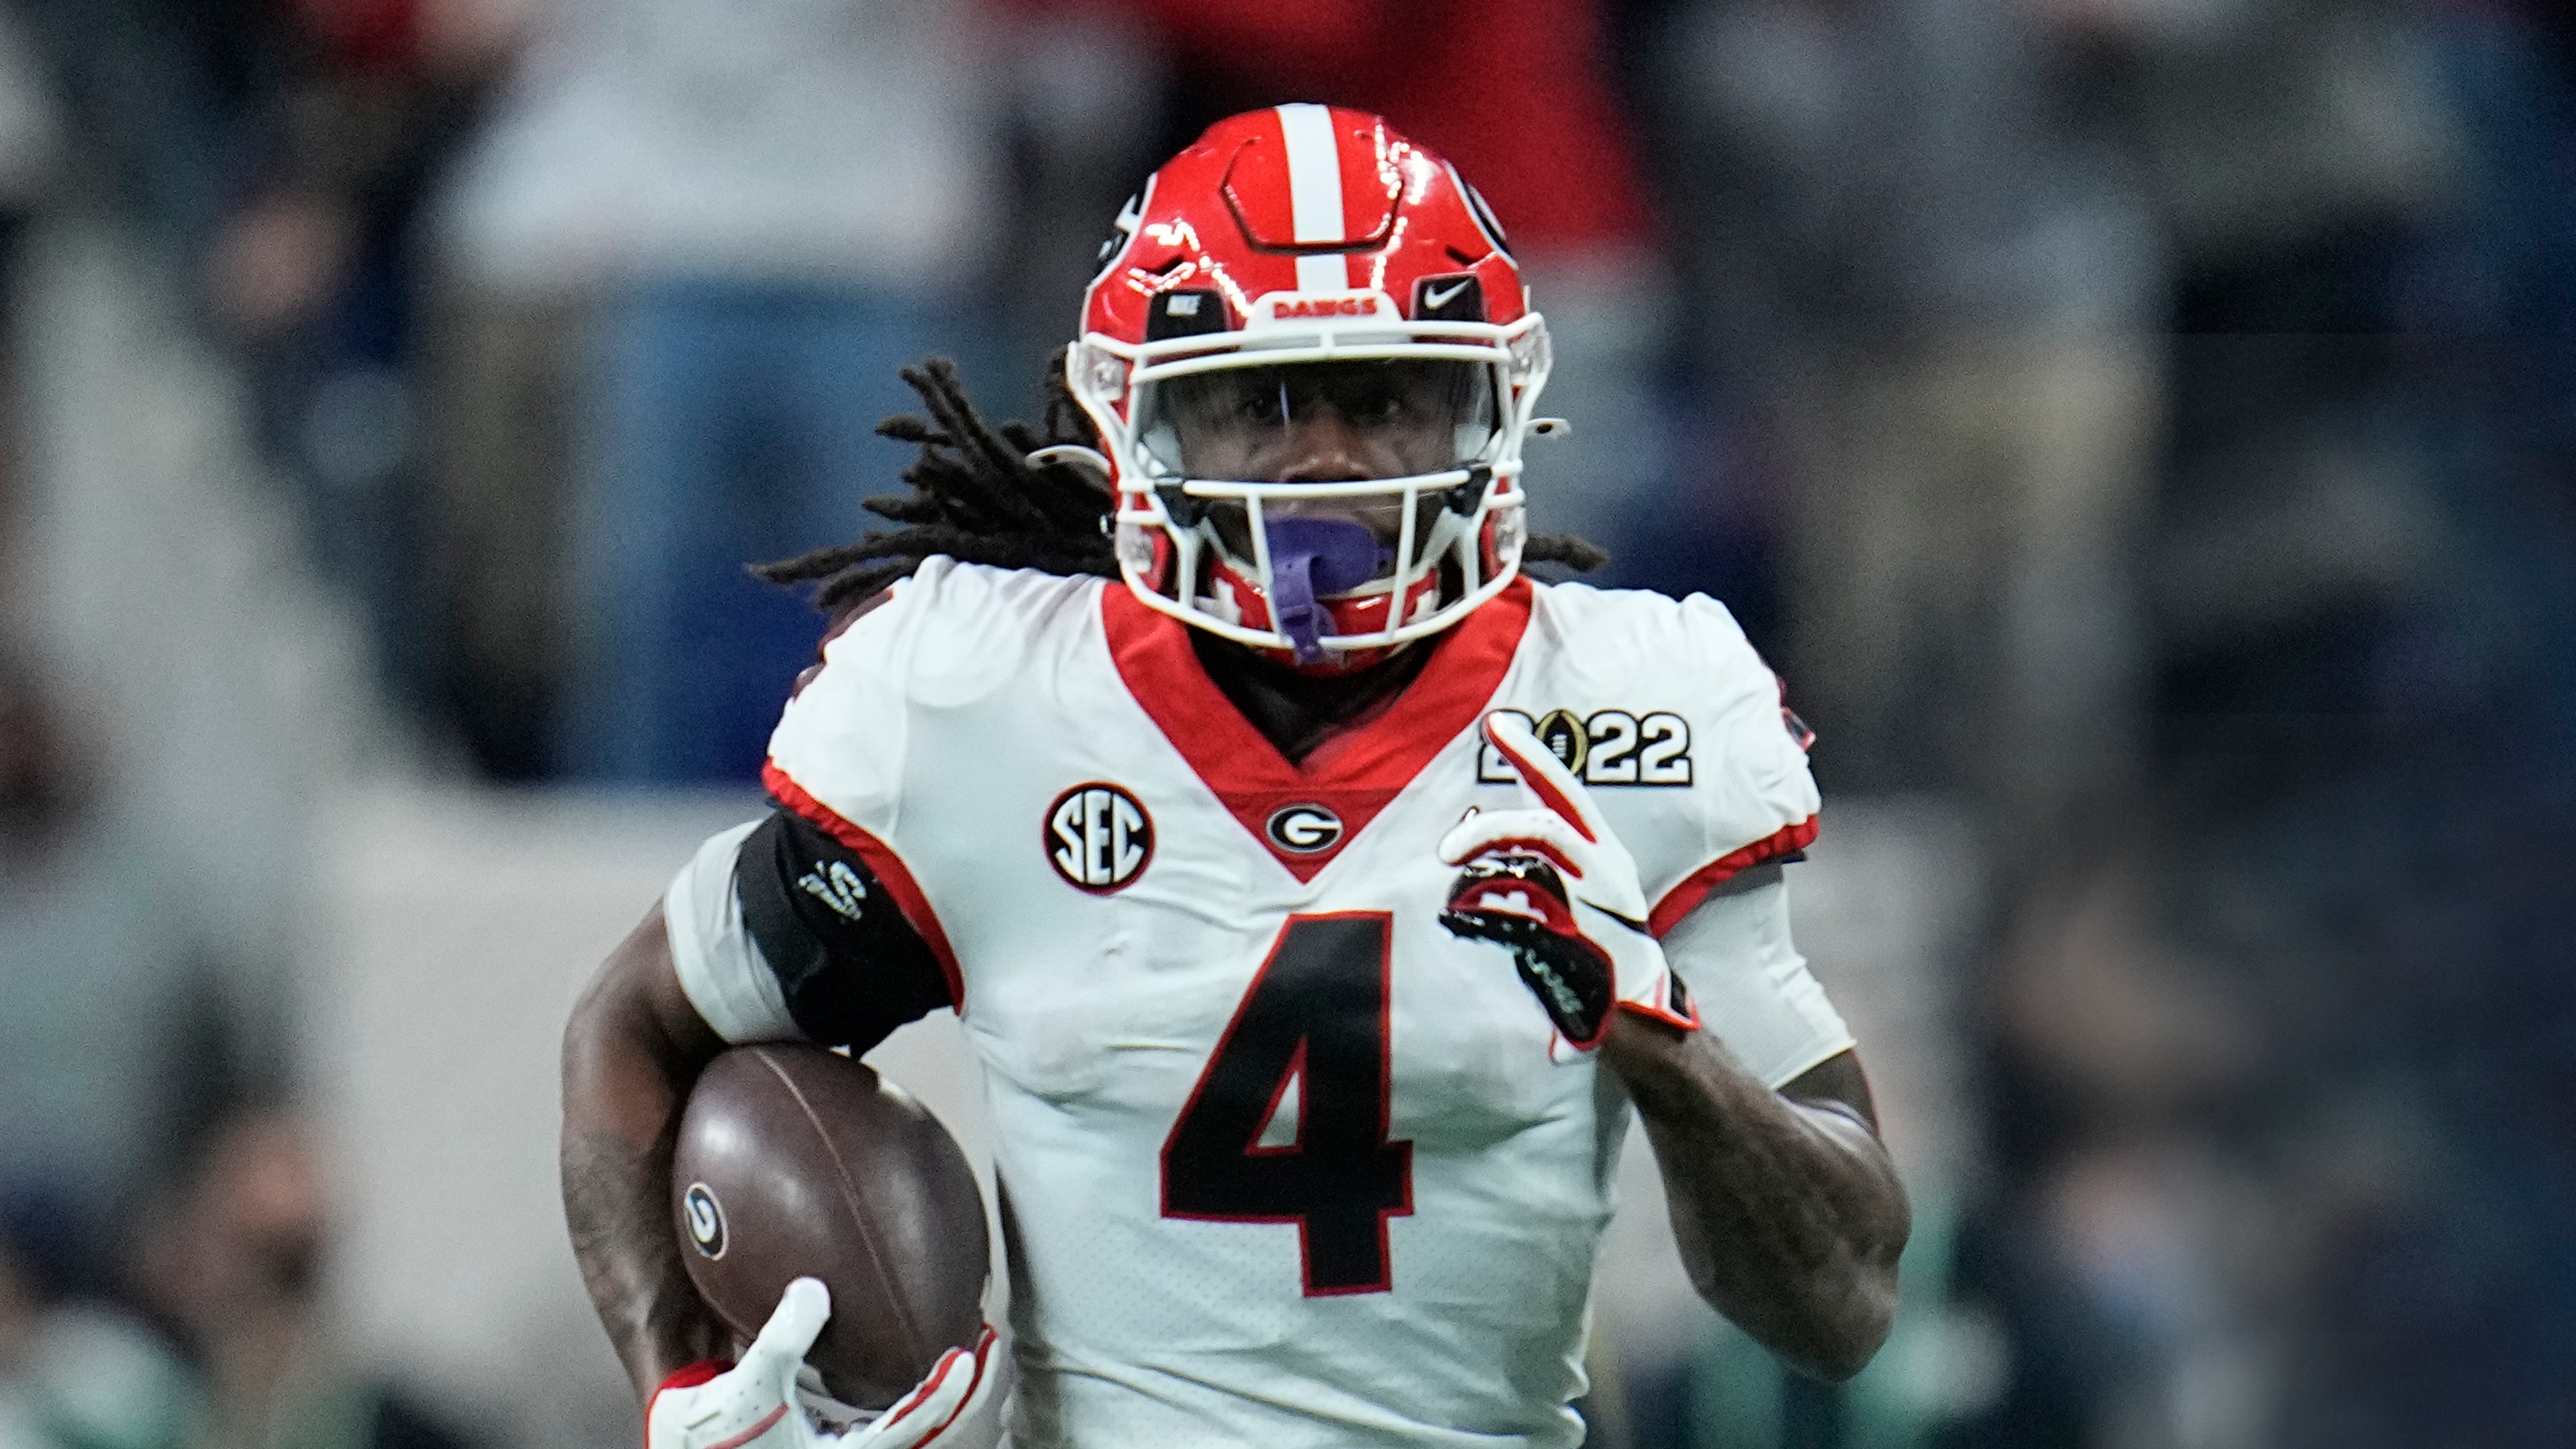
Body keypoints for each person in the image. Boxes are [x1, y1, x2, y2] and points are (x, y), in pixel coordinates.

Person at [560, 105, 1910, 1449]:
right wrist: (682, 1390)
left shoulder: (1625, 710)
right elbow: (635, 1031)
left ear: (1496, 404)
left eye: (1383, 399)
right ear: (1131, 422)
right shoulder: (981, 706)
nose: (1324, 460)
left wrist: (1665, 1040)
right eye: (1255, 406)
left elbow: (1840, 1303)